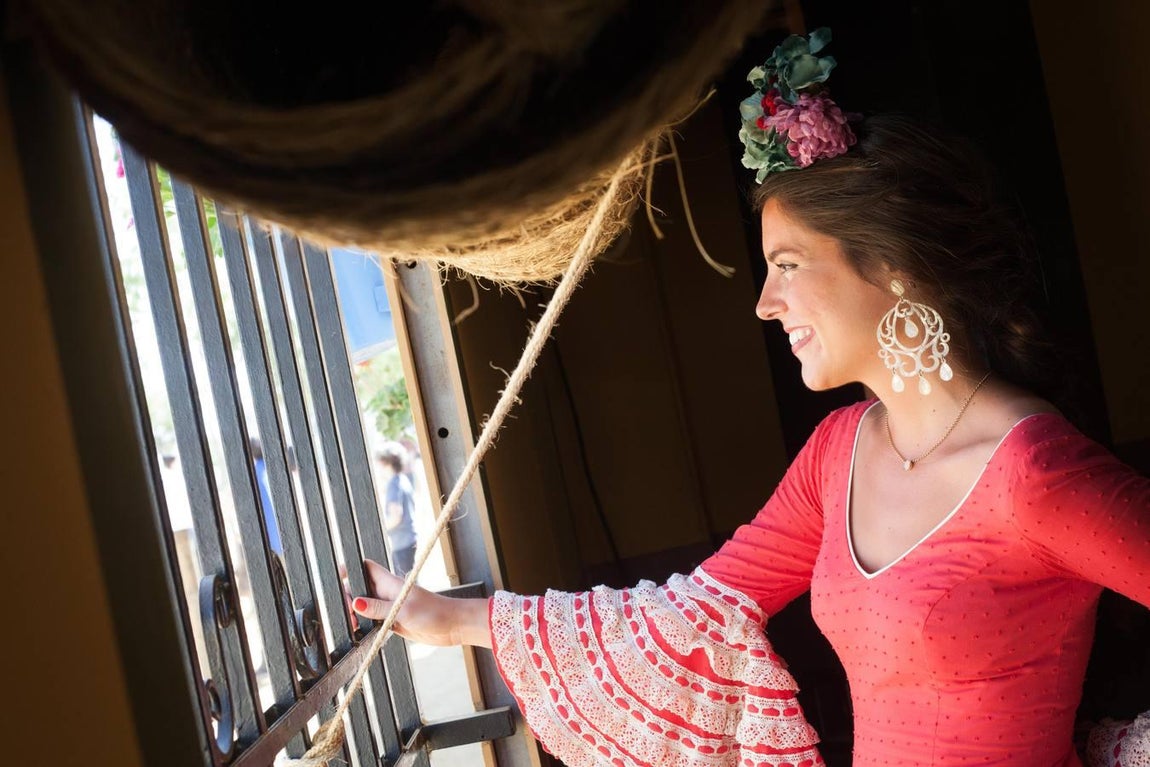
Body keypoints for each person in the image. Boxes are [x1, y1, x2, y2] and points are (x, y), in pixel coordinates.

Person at [349, 32, 1150, 767]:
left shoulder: (1032, 472)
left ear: (894, 266)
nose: (766, 303)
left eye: (788, 265)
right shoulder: (840, 451)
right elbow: (695, 613)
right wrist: (457, 619)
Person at [375, 442, 418, 578]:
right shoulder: (402, 479)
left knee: (405, 585)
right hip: (409, 539)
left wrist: (379, 531)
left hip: (402, 543)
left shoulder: (394, 484)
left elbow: (395, 516)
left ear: (384, 462)